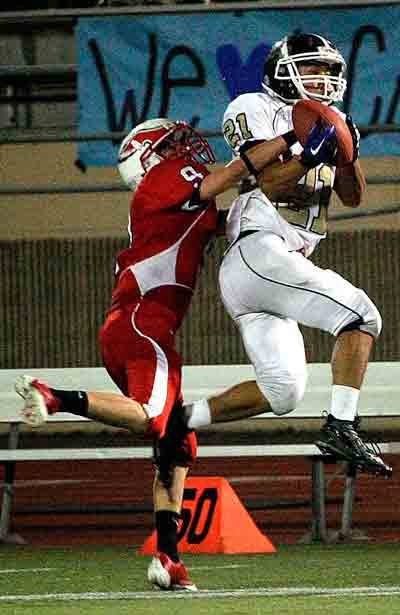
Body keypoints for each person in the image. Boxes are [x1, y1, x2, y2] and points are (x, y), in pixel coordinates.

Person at [15, 117, 307, 591]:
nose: (184, 147)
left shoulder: (177, 197)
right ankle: (53, 397)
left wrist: (297, 175)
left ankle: (168, 560)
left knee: (176, 445)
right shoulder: (164, 179)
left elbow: (234, 209)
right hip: (143, 322)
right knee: (154, 417)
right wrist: (293, 137)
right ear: (150, 158)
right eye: (171, 143)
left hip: (135, 327)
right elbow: (228, 176)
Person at [183, 32, 392, 478]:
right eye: (313, 68)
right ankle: (342, 424)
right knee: (361, 315)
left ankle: (180, 421)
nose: (323, 78)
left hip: (273, 264)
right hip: (259, 246)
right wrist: (307, 150)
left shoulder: (329, 117)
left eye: (329, 71)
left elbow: (352, 196)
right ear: (283, 69)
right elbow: (272, 182)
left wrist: (345, 153)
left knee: (283, 392)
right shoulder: (252, 107)